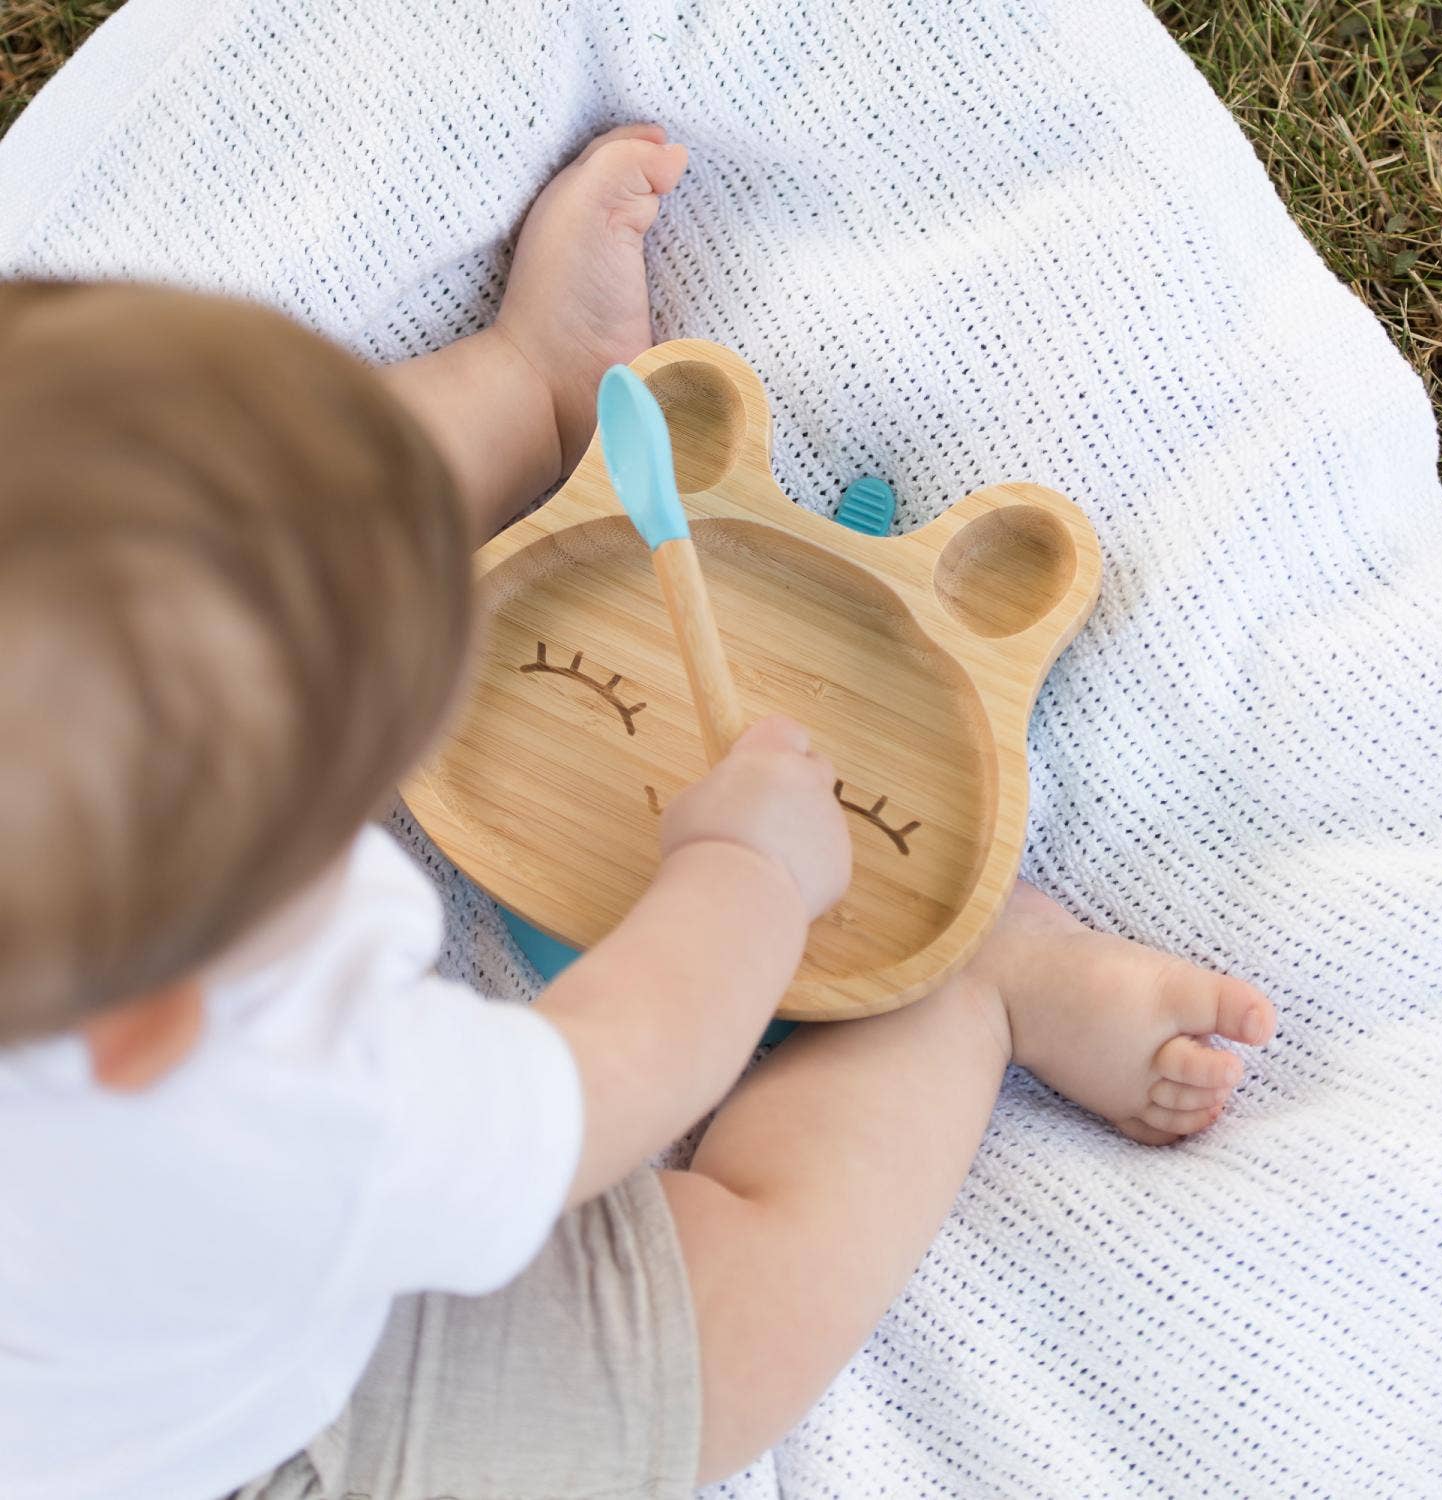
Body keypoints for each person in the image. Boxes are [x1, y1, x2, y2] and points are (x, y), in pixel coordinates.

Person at [0, 125, 1274, 1500]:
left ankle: (532, 391)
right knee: (743, 1304)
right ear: (155, 1012)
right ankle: (967, 995)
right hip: (260, 1436)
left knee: (199, 535)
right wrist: (743, 872)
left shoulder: (124, 957)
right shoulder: (282, 1094)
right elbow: (617, 1073)